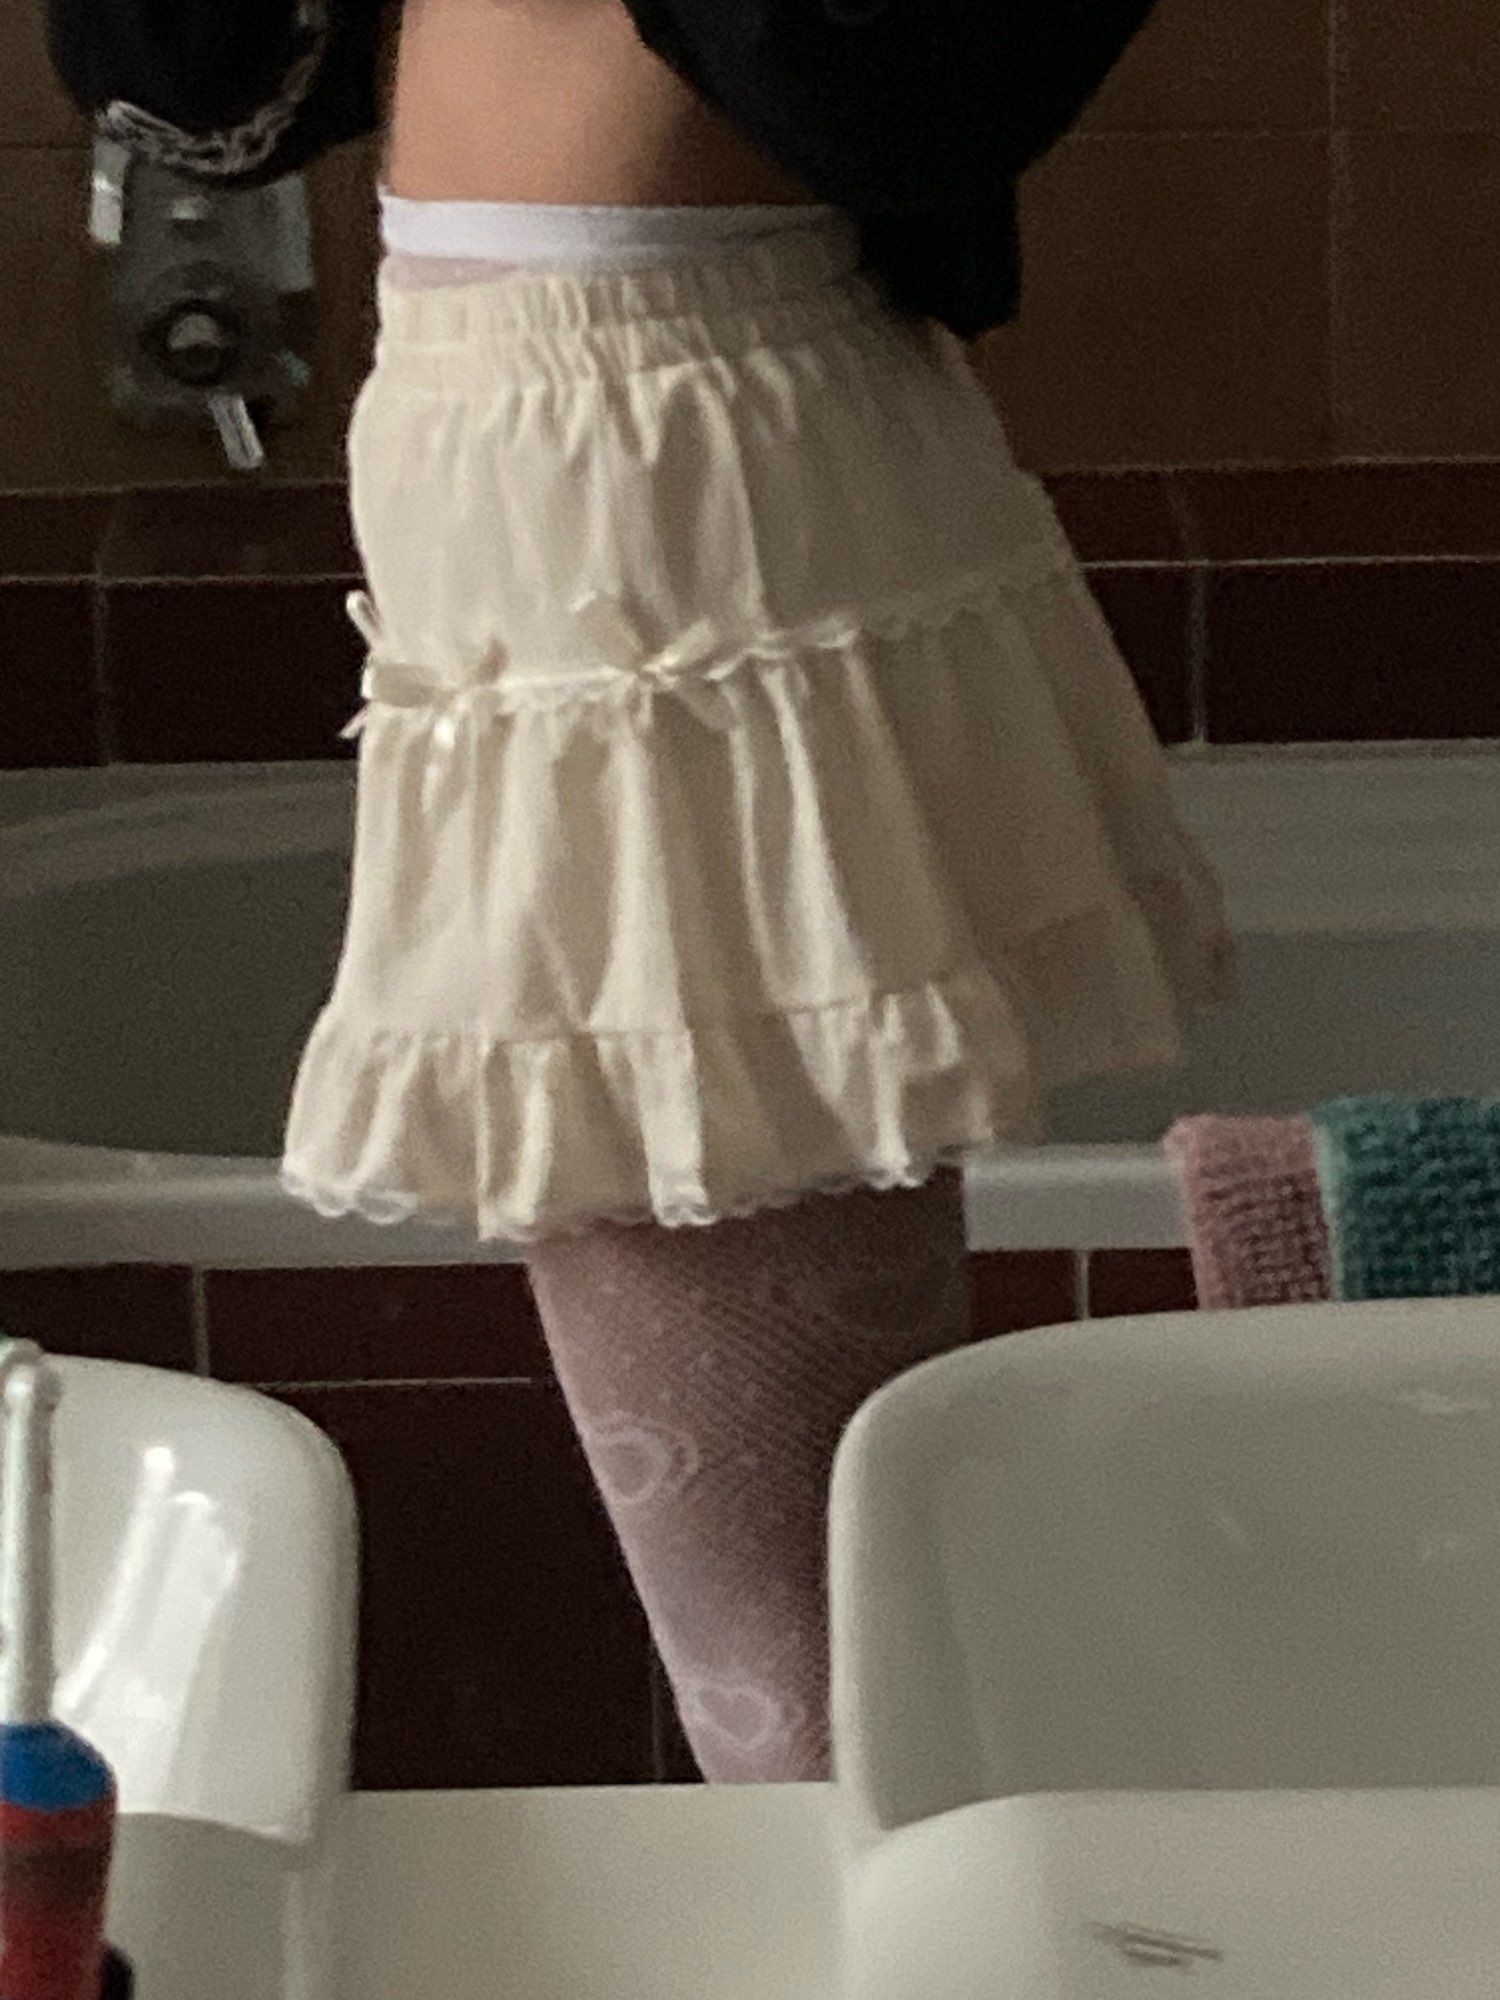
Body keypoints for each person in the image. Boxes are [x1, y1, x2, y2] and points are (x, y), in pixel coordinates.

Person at [46, 0, 1232, 1784]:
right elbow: (183, 80)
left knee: (797, 1674)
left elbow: (915, 91)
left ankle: (922, 1909)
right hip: (563, 443)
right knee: (804, 1639)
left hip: (673, 477)